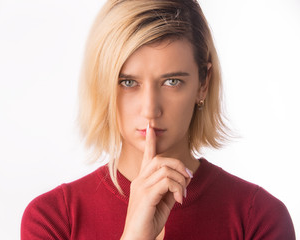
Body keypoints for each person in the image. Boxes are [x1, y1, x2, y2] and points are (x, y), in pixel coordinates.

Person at [21, 0, 295, 239]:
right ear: (102, 84)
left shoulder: (258, 218)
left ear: (203, 83)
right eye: (128, 82)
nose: (150, 110)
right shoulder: (53, 220)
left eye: (172, 81)